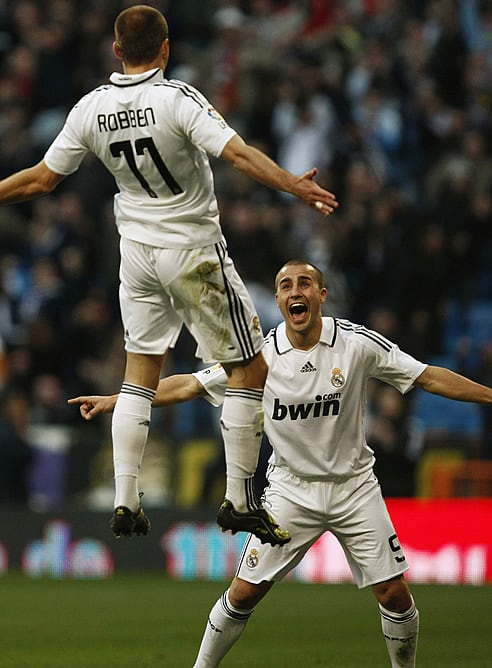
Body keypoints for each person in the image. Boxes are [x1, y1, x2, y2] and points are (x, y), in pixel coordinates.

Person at [0, 5, 339, 546]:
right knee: (249, 369)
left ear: (116, 50)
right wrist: (293, 186)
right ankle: (238, 499)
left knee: (140, 372)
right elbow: (238, 155)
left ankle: (126, 500)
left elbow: (41, 180)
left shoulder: (91, 108)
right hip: (193, 250)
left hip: (135, 253)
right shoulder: (177, 99)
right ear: (165, 48)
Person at [69, 258, 492, 667]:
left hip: (354, 488)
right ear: (278, 298)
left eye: (304, 284)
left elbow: (426, 375)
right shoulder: (260, 357)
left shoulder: (357, 343)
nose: (296, 291)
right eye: (287, 285)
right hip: (290, 491)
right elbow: (191, 385)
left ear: (321, 295)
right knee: (242, 594)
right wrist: (121, 399)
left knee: (394, 593)